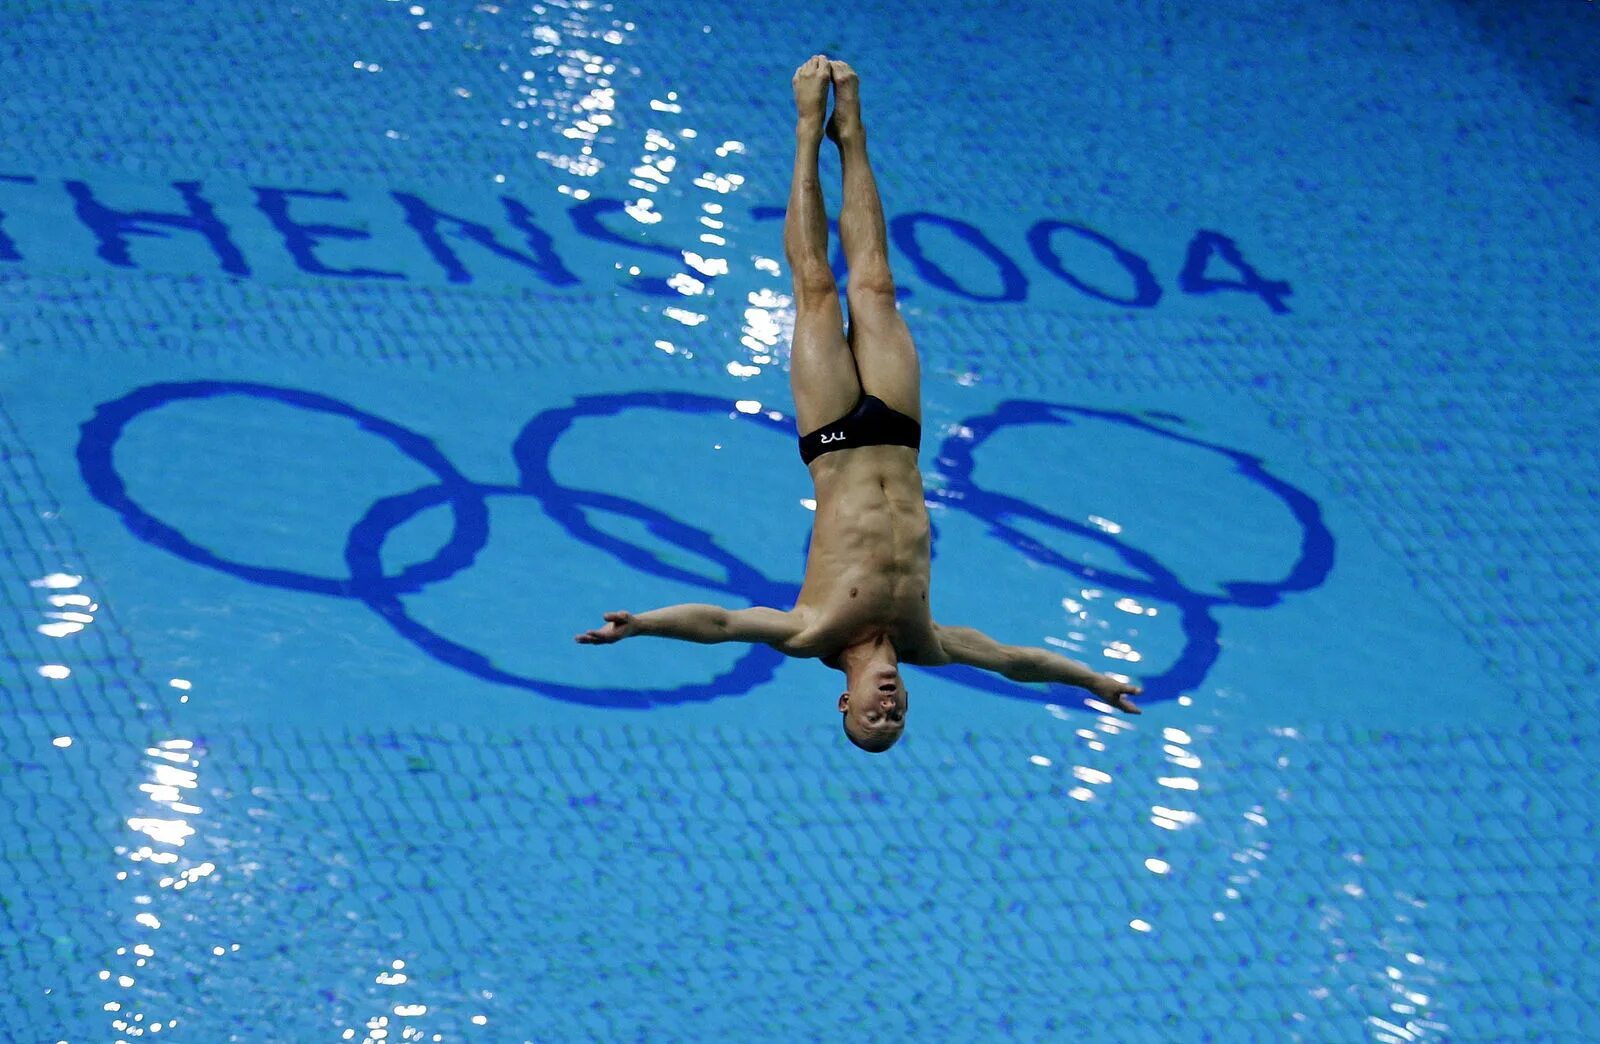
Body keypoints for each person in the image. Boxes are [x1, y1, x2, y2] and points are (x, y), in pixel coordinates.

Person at [577, 56, 1141, 752]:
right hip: (899, 435)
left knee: (814, 286)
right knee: (874, 286)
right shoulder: (926, 640)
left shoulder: (812, 629)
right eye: (897, 719)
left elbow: (720, 624)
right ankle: (855, 131)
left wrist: (640, 624)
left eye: (871, 718)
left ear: (843, 699)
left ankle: (809, 125)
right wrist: (1093, 680)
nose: (888, 711)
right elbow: (1017, 661)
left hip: (834, 438)